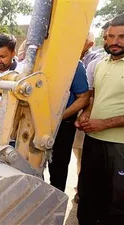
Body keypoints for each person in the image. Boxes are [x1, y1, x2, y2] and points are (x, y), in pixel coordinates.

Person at [75, 14, 124, 225]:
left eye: (121, 36)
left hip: (119, 146)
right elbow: (94, 96)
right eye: (110, 36)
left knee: (117, 203)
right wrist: (86, 114)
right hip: (93, 140)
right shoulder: (100, 63)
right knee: (88, 195)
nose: (114, 42)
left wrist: (103, 123)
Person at [47, 61, 90, 192]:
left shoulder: (73, 63)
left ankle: (55, 207)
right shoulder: (35, 59)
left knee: (58, 170)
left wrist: (58, 119)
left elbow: (84, 98)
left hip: (62, 124)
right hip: (34, 123)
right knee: (32, 167)